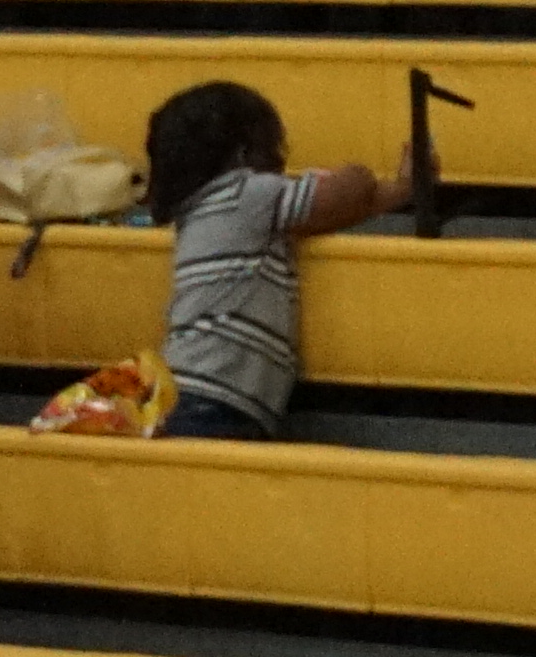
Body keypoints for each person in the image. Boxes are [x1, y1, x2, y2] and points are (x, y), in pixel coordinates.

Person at [134, 83, 386, 445]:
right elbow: (350, 194)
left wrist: (406, 186)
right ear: (243, 153)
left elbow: (341, 211)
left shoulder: (200, 212)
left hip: (190, 394)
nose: (281, 162)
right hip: (214, 399)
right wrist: (360, 172)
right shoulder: (247, 194)